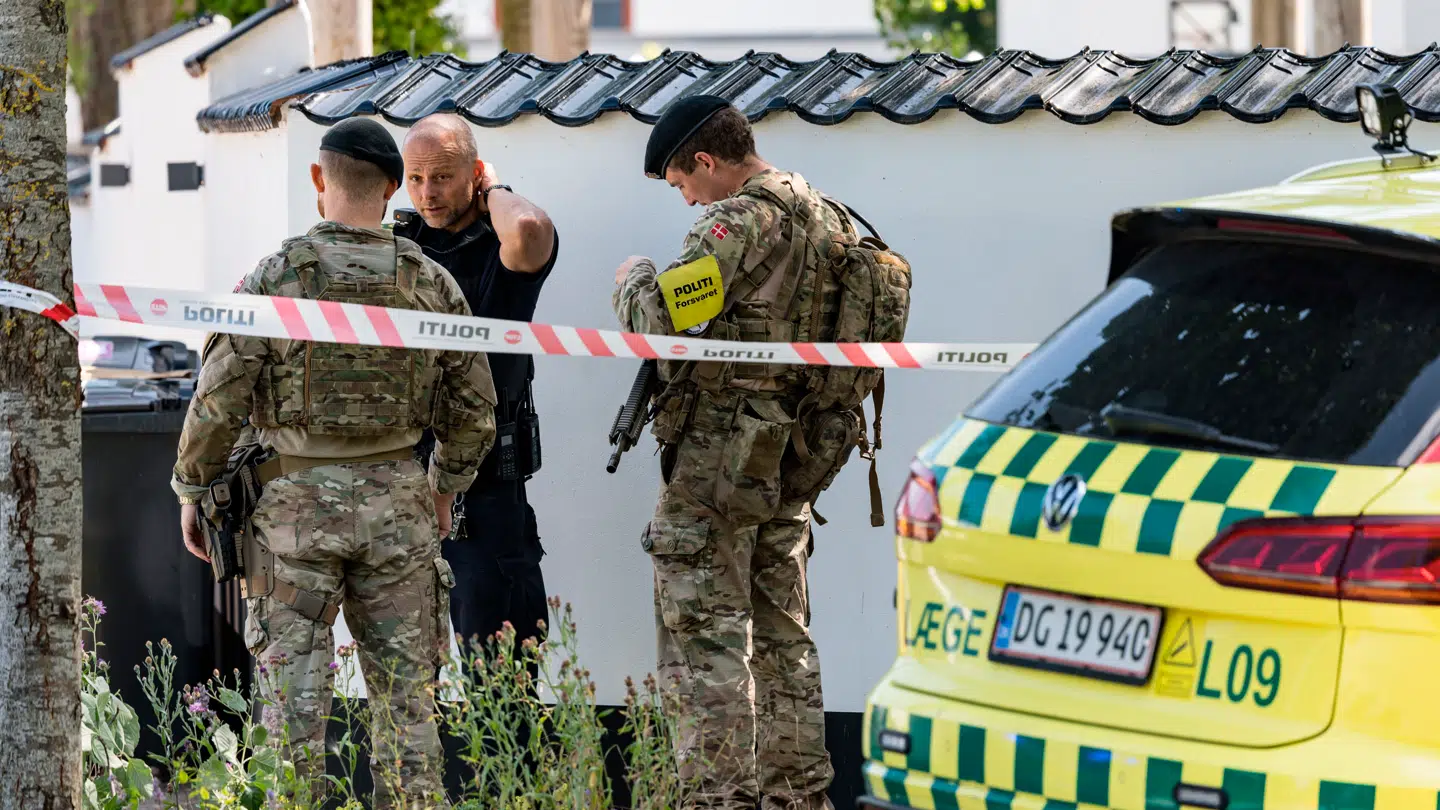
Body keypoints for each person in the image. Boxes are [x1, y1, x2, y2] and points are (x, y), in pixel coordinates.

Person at [170, 117, 499, 808]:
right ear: (389, 189)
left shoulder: (273, 279)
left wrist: (191, 491)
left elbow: (218, 401)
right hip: (400, 513)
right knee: (408, 712)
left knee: (291, 717)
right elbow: (473, 413)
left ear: (319, 181)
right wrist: (442, 490)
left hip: (290, 519)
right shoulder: (432, 285)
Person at [612, 95, 874, 810]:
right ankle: (798, 797)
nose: (687, 200)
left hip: (716, 469)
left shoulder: (739, 220)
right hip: (793, 463)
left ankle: (718, 799)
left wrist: (633, 278)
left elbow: (666, 322)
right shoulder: (828, 217)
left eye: (681, 184)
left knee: (706, 644)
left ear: (705, 160)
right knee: (784, 640)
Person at [396, 112, 559, 664]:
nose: (426, 193)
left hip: (484, 496)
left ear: (475, 173)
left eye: (441, 176)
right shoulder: (401, 243)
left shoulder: (503, 243)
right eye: (414, 178)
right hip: (403, 483)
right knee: (404, 673)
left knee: (501, 675)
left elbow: (530, 231)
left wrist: (497, 190)